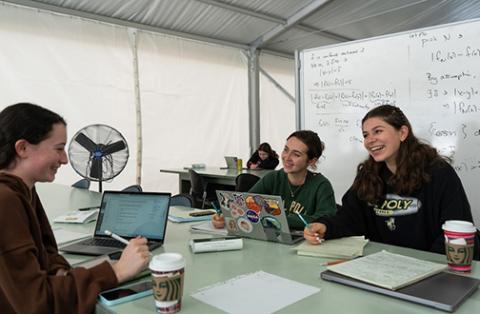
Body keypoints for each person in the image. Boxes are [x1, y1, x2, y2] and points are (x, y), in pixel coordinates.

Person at [0, 103, 150, 313]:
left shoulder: (24, 190)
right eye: (59, 148)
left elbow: (47, 256)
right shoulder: (5, 200)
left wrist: (64, 275)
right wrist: (116, 271)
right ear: (23, 148)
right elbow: (35, 303)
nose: (65, 160)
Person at [304, 105, 478, 256]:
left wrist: (430, 265)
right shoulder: (368, 175)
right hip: (381, 267)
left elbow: (457, 229)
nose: (370, 140)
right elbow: (350, 218)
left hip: (431, 271)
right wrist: (325, 226)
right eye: (365, 135)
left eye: (378, 131)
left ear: (402, 133)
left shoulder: (438, 173)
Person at [213, 130, 337, 230]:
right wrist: (226, 216)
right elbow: (244, 204)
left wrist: (278, 218)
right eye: (286, 150)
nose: (287, 157)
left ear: (311, 161)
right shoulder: (273, 178)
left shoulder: (321, 185)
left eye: (296, 154)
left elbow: (325, 220)